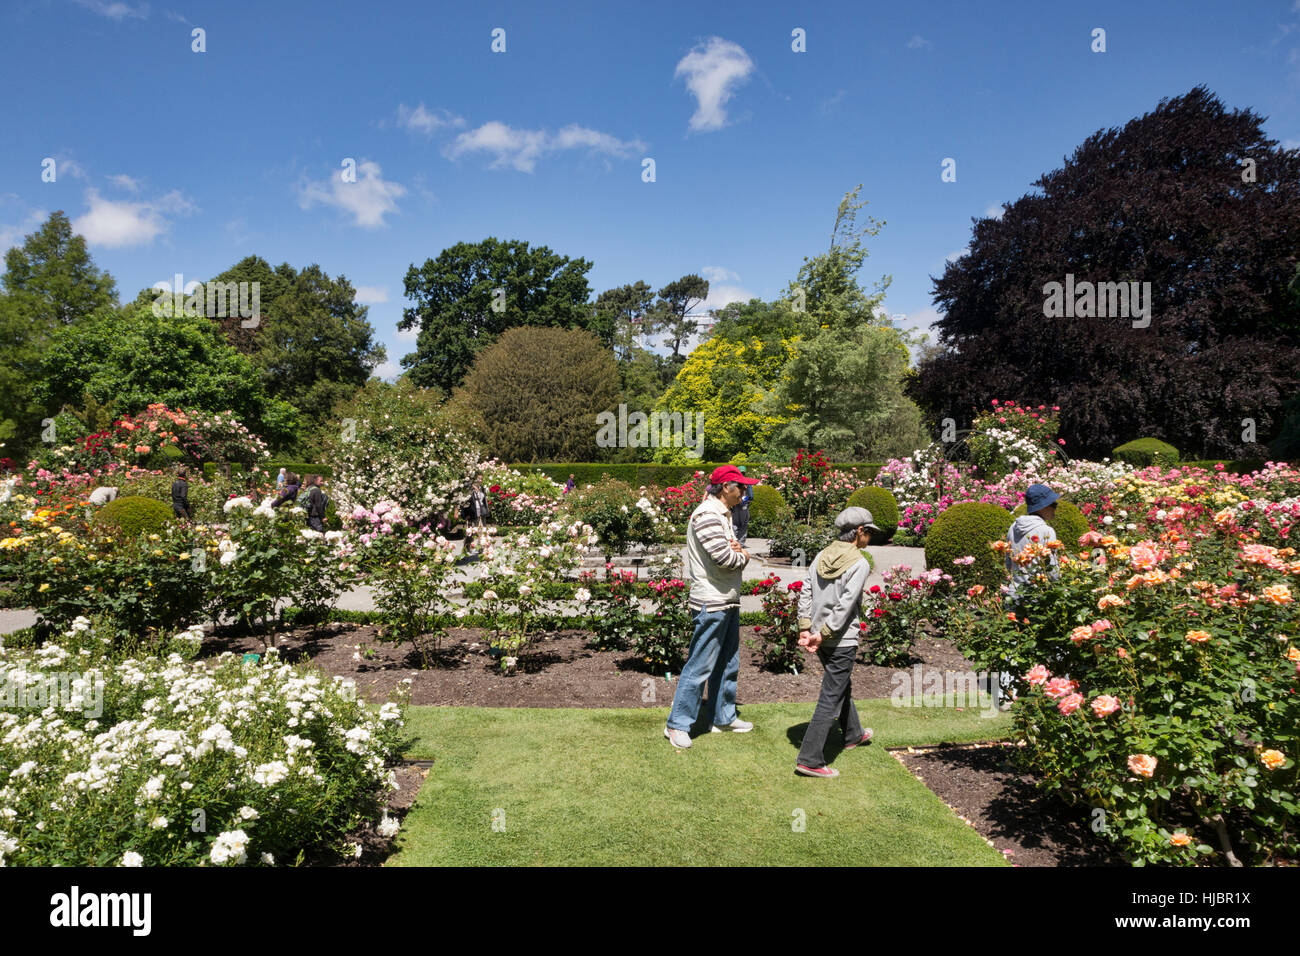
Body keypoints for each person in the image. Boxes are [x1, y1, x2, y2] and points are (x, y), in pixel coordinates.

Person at [664, 465, 758, 749]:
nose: (745, 491)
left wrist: (738, 551)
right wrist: (744, 556)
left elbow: (732, 549)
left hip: (726, 598)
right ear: (726, 487)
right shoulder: (707, 514)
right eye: (741, 486)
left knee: (728, 662)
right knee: (700, 665)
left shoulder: (723, 514)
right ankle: (677, 725)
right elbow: (725, 558)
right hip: (711, 601)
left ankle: (723, 717)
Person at [793, 507, 880, 777]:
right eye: (869, 532)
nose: (870, 538)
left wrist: (807, 627)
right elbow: (846, 604)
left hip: (819, 634)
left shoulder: (820, 555)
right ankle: (810, 759)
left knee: (840, 684)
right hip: (840, 638)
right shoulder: (860, 562)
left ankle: (853, 733)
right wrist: (826, 632)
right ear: (860, 532)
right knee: (830, 695)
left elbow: (806, 590)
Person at [1005, 483, 1062, 604]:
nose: (1056, 507)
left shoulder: (1013, 527)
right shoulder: (1046, 531)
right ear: (1042, 507)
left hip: (1015, 595)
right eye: (1053, 504)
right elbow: (1053, 572)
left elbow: (1008, 564)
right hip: (1038, 597)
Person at [463, 480, 489, 554]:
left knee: (482, 531)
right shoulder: (470, 492)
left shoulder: (482, 490)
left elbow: (484, 502)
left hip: (481, 513)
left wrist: (486, 511)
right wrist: (466, 515)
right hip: (472, 514)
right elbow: (466, 504)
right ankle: (467, 547)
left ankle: (481, 548)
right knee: (471, 532)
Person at [732, 468, 752, 545]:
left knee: (734, 523)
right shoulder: (747, 482)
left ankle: (735, 541)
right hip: (744, 505)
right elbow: (750, 496)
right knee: (743, 524)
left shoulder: (733, 482)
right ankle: (740, 542)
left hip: (735, 504)